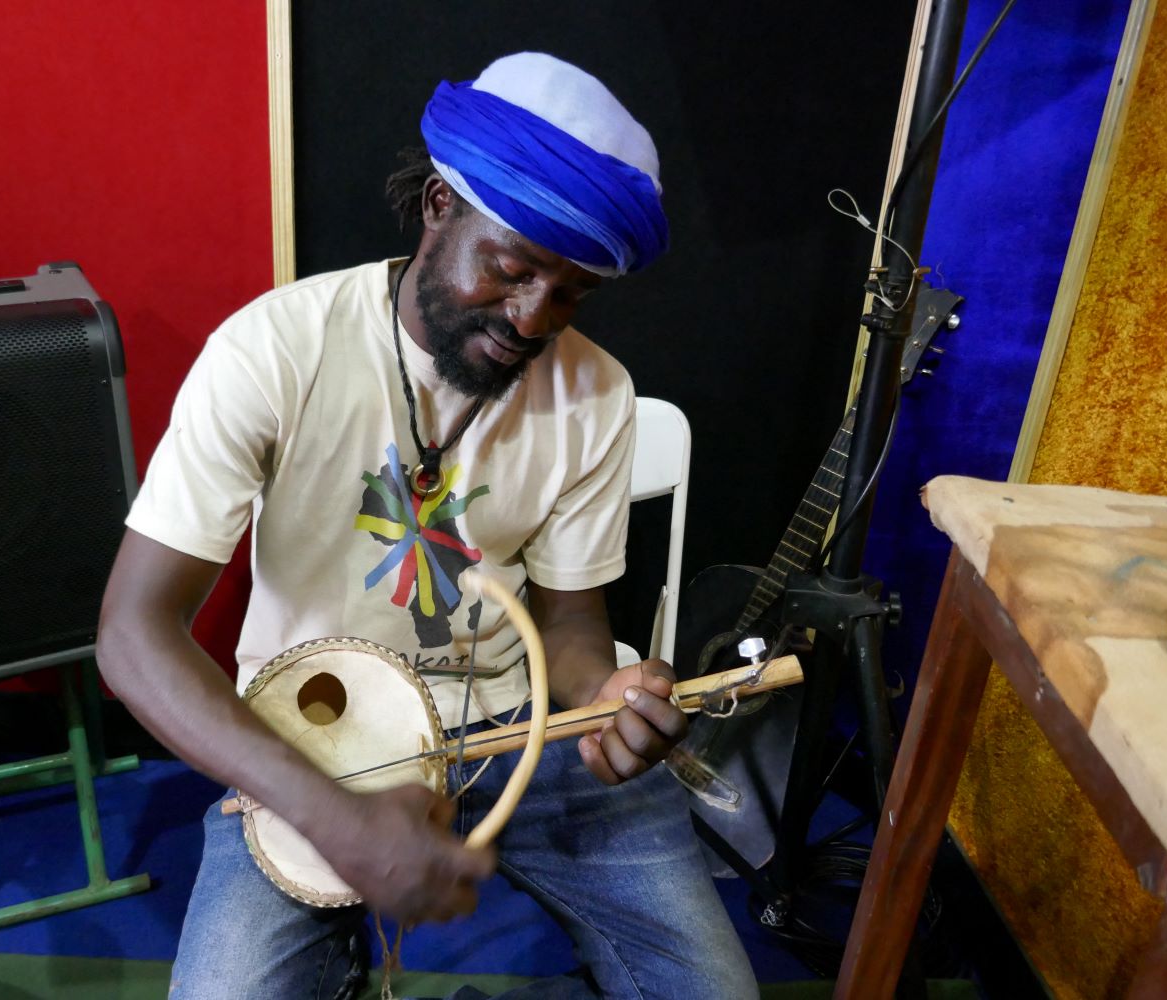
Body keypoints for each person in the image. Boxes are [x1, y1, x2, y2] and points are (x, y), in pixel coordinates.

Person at [97, 52, 758, 1000]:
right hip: (310, 737)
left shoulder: (596, 391)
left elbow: (570, 627)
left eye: (570, 292)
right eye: (513, 267)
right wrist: (334, 816)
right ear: (438, 204)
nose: (535, 317)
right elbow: (130, 637)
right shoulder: (272, 351)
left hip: (518, 727)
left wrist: (608, 689)